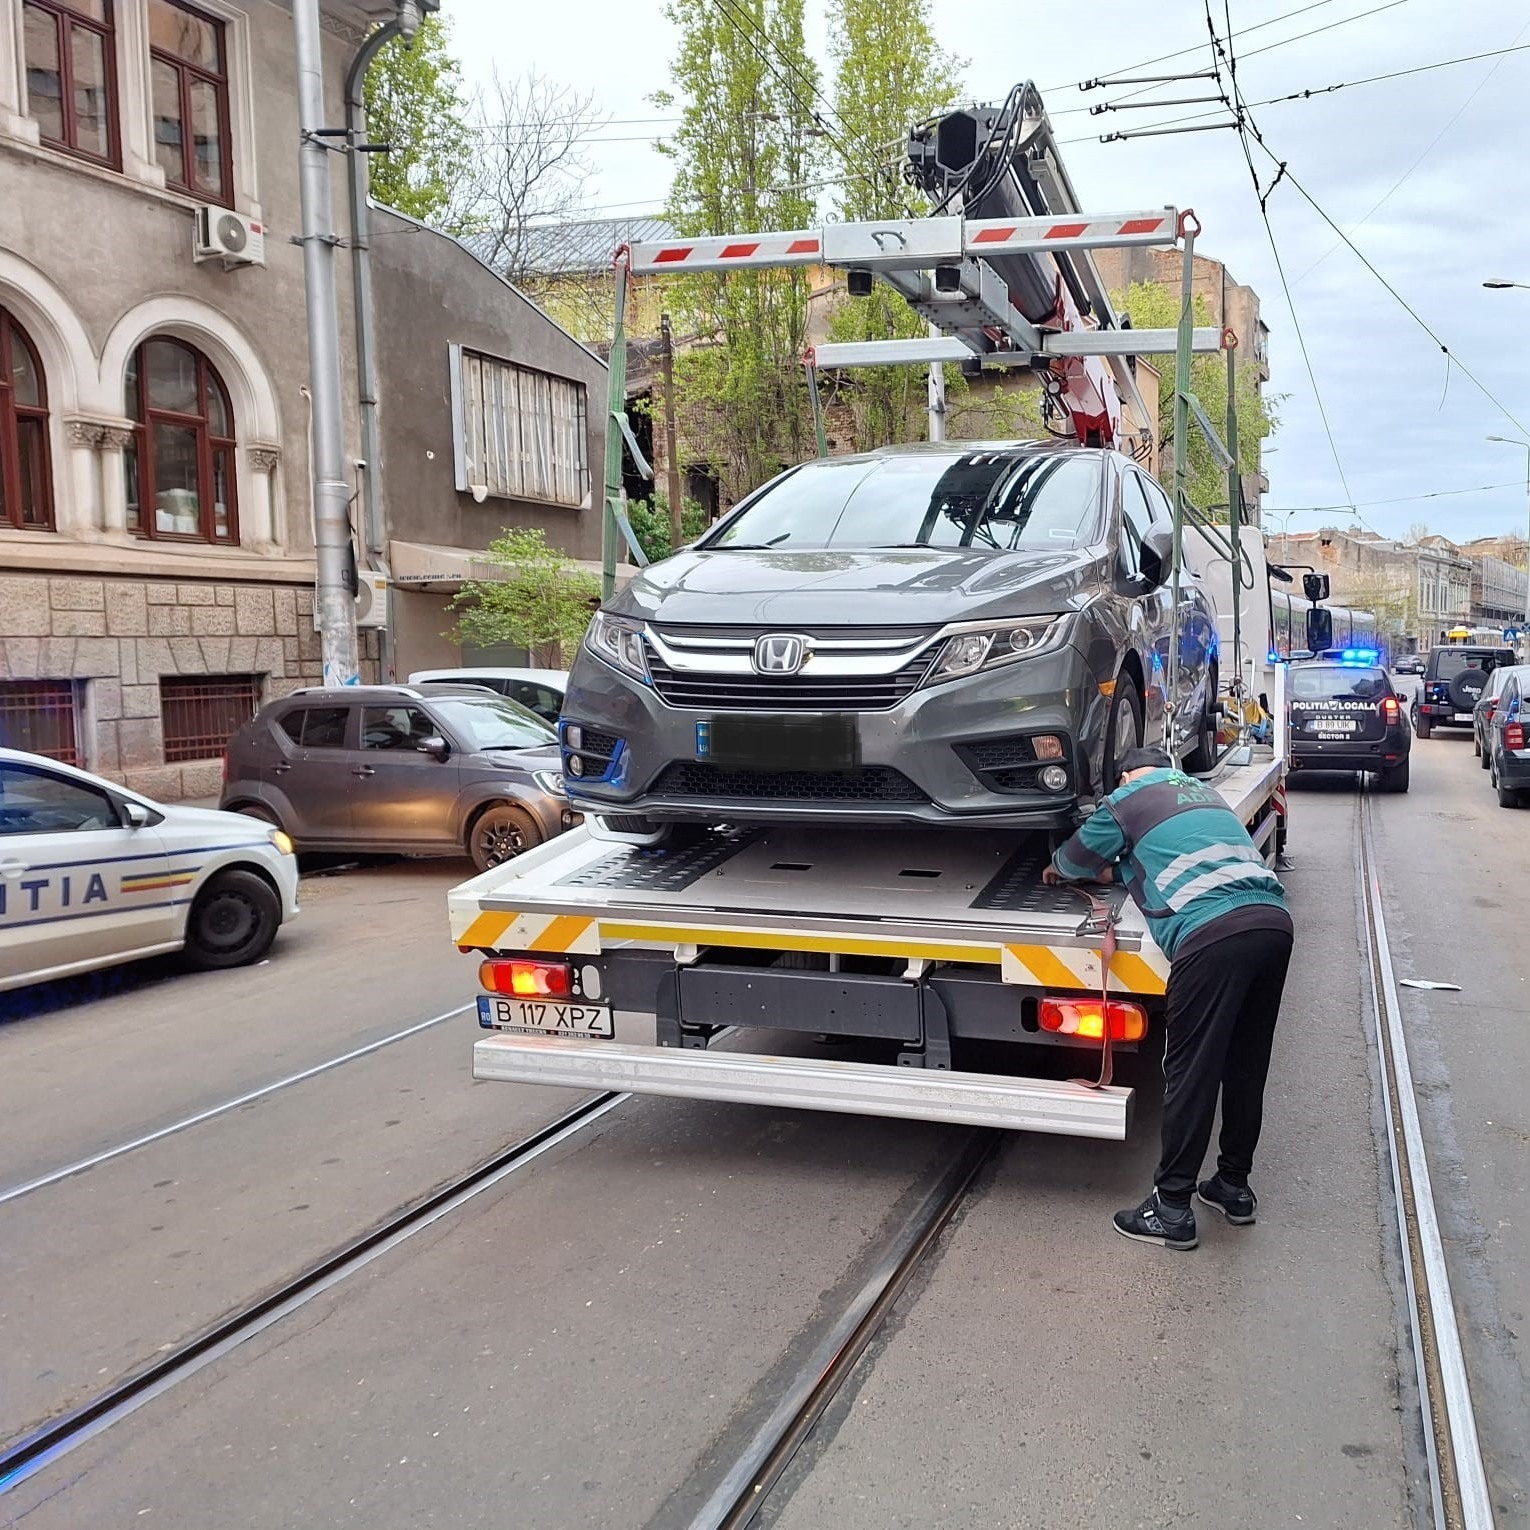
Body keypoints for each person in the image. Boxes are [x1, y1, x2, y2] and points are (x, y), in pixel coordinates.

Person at [1043, 746, 1293, 1251]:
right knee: (1246, 1064)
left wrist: (1058, 869)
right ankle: (1233, 1187)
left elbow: (1073, 859)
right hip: (1272, 923)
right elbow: (1145, 863)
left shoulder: (1127, 799)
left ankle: (1172, 1207)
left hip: (1212, 934)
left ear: (1127, 776)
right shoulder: (1204, 795)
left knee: (1190, 1070)